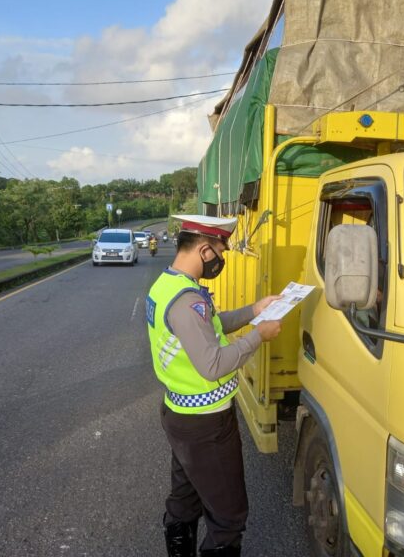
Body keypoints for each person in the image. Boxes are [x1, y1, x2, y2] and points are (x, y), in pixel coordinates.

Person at [146, 214, 282, 557]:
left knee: (185, 500)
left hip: (180, 413)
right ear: (205, 250)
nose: (222, 259)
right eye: (221, 251)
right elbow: (213, 364)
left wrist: (254, 310)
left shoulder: (168, 286)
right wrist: (258, 336)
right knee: (228, 517)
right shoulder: (186, 300)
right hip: (206, 423)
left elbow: (211, 324)